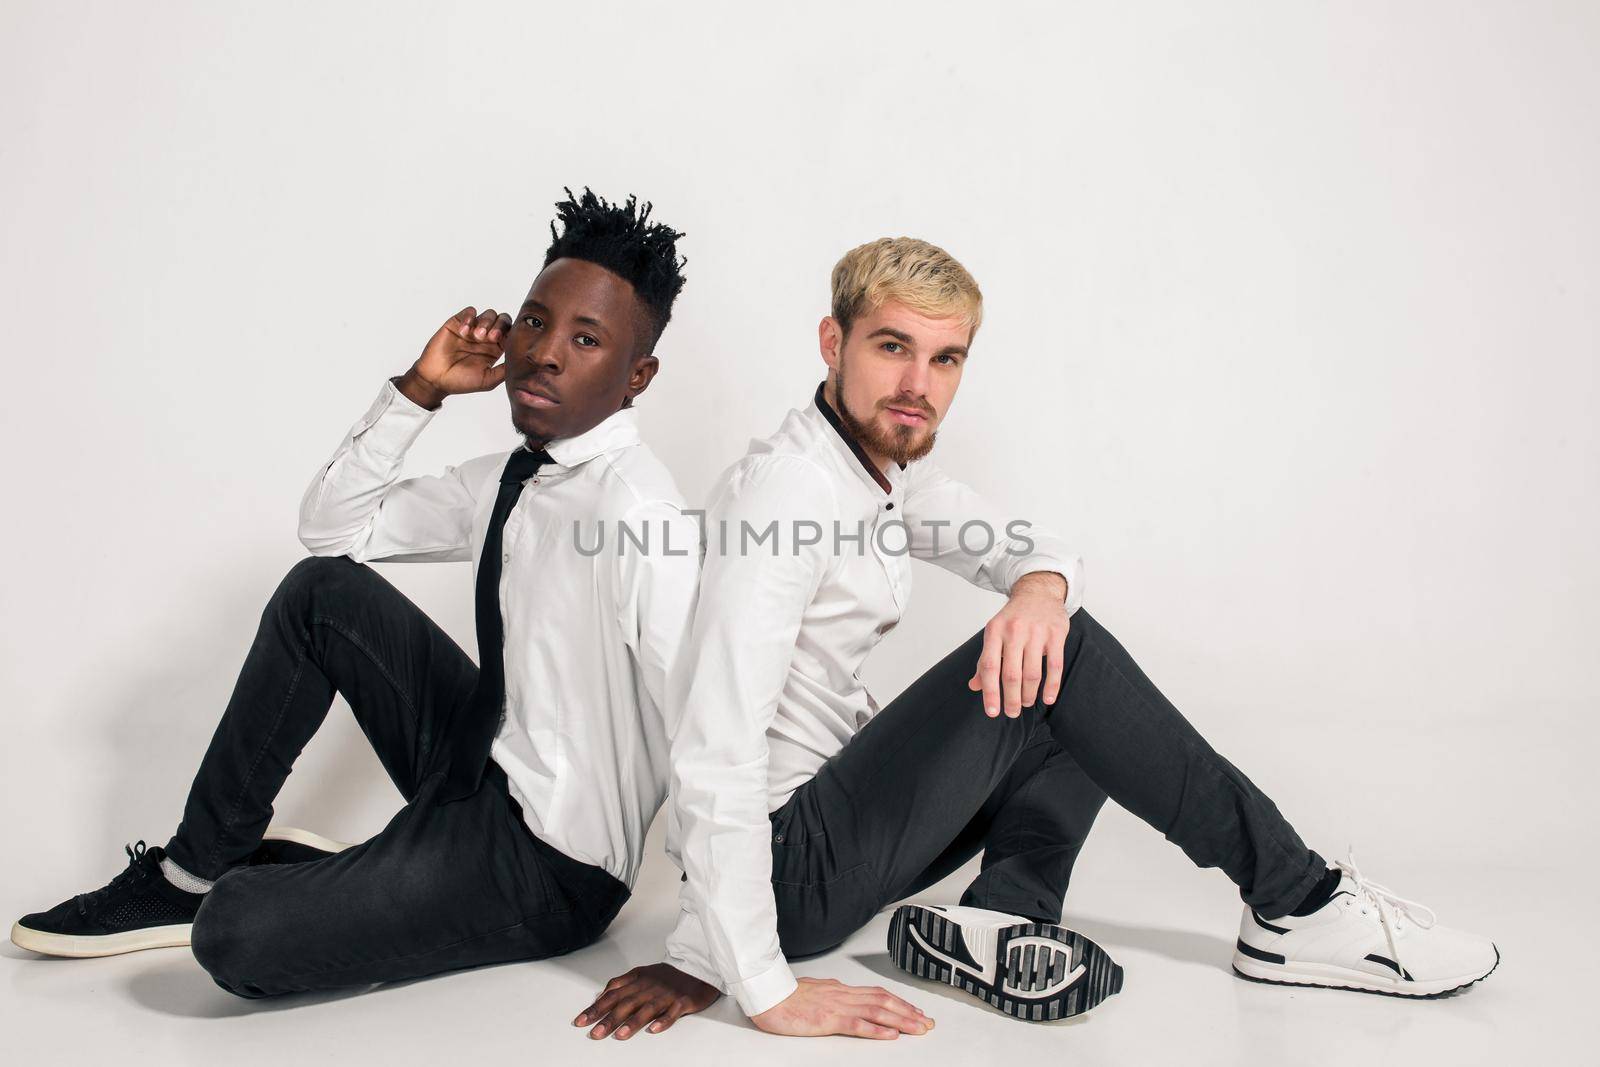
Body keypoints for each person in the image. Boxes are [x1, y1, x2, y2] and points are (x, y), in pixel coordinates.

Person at [573, 236, 1500, 1040]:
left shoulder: (879, 471)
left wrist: (1041, 590)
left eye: (945, 360)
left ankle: (1002, 918)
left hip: (829, 840)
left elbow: (1033, 550)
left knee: (1053, 650)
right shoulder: (789, 494)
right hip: (785, 867)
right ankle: (1300, 902)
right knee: (1073, 663)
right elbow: (712, 744)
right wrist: (751, 977)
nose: (917, 385)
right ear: (833, 343)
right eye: (893, 347)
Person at [12, 188, 701, 999]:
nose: (544, 353)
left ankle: (294, 882)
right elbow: (333, 530)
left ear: (637, 376)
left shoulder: (638, 513)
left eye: (586, 339)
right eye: (534, 321)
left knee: (235, 937)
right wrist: (420, 389)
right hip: (478, 772)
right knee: (323, 593)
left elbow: (703, 727)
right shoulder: (515, 479)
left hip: (548, 865)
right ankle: (190, 870)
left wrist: (707, 958)